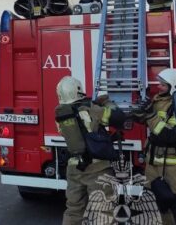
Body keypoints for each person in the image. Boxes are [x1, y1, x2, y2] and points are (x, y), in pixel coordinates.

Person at [133, 68, 176, 224]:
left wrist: (150, 114)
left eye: (163, 85)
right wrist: (140, 109)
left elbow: (169, 135)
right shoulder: (159, 101)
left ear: (175, 86)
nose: (159, 87)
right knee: (159, 209)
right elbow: (143, 120)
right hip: (154, 165)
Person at [54, 76, 126, 225]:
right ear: (78, 90)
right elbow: (118, 119)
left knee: (74, 210)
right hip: (97, 169)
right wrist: (106, 103)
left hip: (74, 168)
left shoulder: (60, 114)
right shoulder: (91, 109)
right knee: (103, 211)